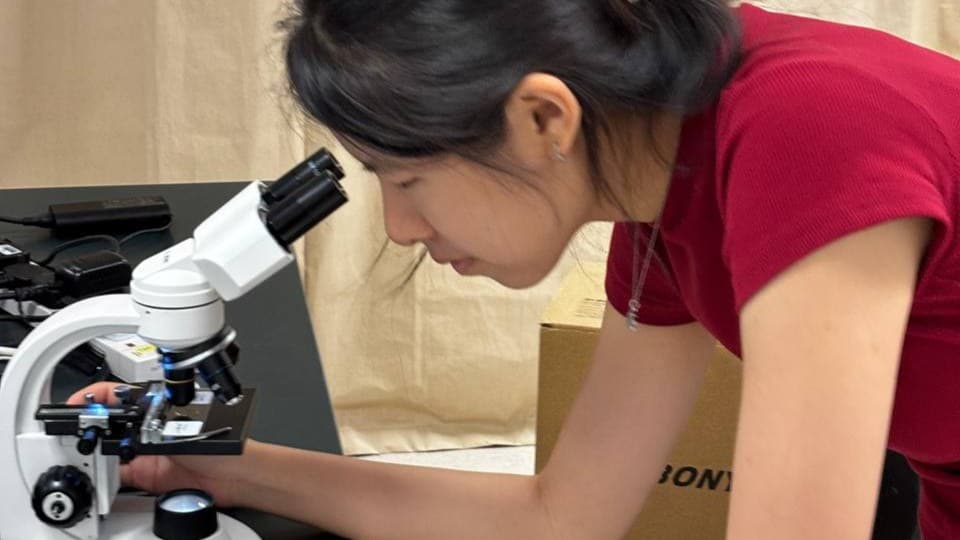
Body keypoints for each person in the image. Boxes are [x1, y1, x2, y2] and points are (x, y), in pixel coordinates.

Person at [72, 1, 960, 538]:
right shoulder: (665, 197)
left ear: (543, 117)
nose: (402, 229)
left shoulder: (806, 137)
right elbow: (560, 517)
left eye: (406, 178)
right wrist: (220, 467)